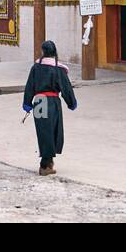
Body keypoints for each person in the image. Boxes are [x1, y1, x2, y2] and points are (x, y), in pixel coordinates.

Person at [22, 40, 77, 175]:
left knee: (44, 132)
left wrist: (27, 103)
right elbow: (66, 88)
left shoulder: (36, 67)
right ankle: (45, 165)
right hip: (51, 102)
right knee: (52, 132)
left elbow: (30, 86)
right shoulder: (58, 69)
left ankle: (48, 163)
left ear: (43, 52)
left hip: (39, 101)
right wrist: (71, 103)